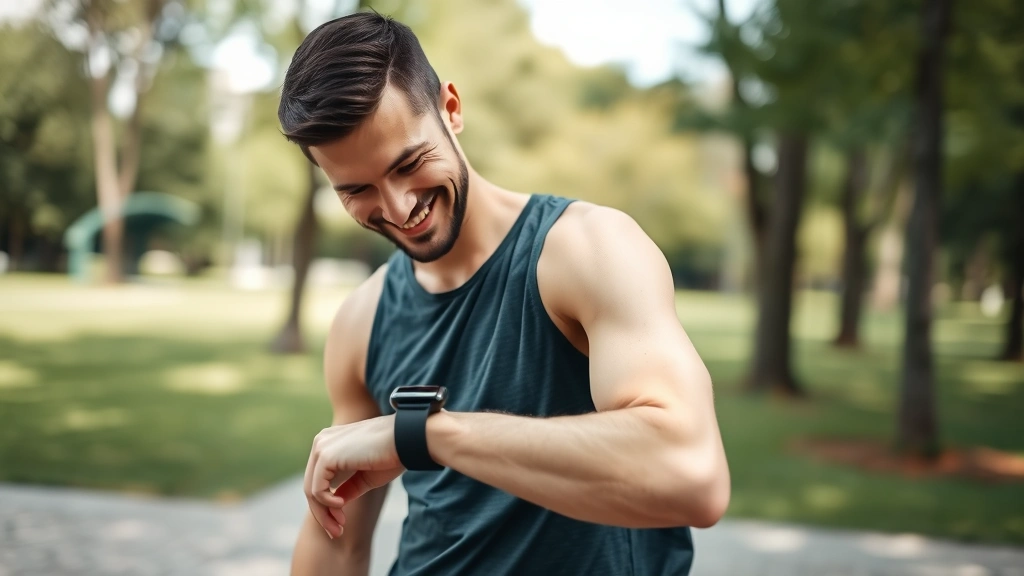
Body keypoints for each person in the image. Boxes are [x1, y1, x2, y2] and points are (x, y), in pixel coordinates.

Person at [279, 11, 730, 576]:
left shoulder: (588, 250)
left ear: (451, 108)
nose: (397, 208)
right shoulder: (361, 320)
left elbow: (690, 476)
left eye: (410, 163)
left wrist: (424, 435)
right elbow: (337, 539)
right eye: (357, 189)